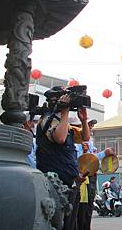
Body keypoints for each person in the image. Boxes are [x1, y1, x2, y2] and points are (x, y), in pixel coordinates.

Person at [36, 87, 89, 230]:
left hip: (68, 182)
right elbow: (60, 138)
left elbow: (85, 137)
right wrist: (64, 112)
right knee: (57, 224)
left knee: (69, 224)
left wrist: (84, 121)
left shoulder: (63, 122)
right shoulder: (48, 119)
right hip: (54, 183)